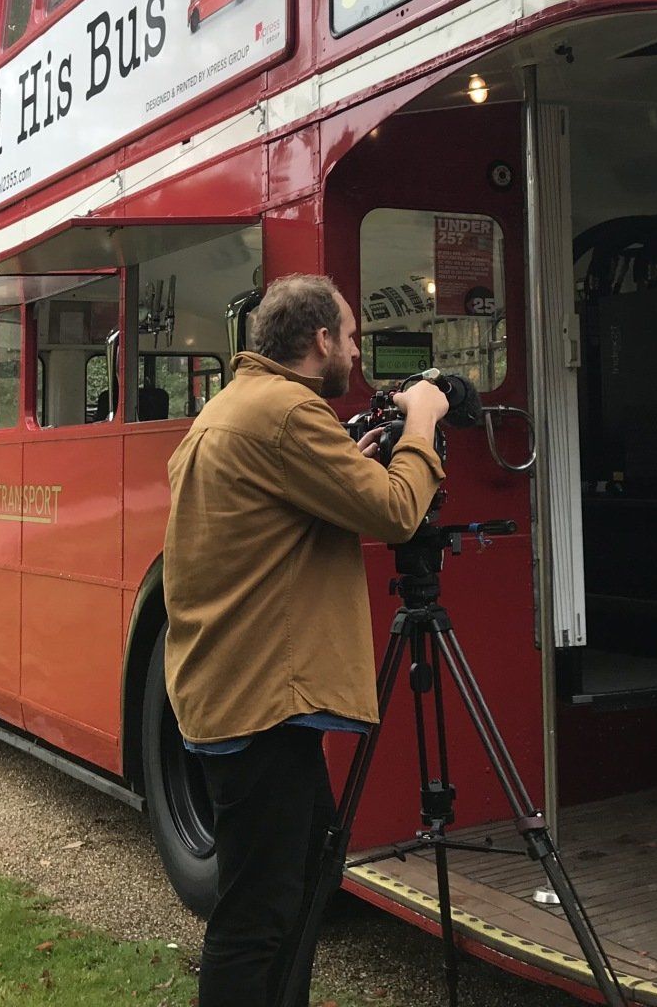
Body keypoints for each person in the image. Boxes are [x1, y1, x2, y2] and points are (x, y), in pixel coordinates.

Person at [163, 272, 451, 1007]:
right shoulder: (288, 413)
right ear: (320, 340)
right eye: (351, 336)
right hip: (262, 703)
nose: (357, 351)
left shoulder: (230, 408)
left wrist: (356, 454)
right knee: (257, 915)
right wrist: (421, 421)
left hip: (237, 692)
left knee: (300, 881)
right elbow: (394, 511)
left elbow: (283, 515)